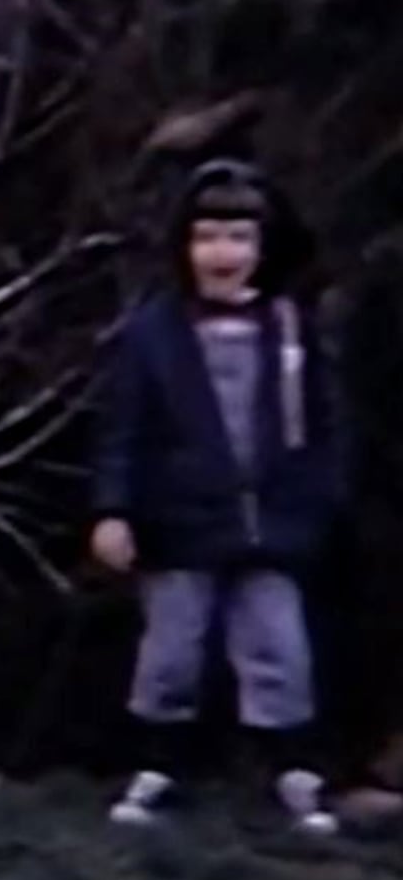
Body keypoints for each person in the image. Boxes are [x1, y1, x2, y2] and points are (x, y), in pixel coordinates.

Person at [90, 159, 347, 834]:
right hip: (177, 524)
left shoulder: (291, 327)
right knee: (171, 650)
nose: (222, 254)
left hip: (274, 526)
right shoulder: (154, 331)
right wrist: (113, 508)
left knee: (278, 649)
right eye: (207, 237)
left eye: (238, 237)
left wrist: (318, 501)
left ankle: (293, 773)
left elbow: (325, 426)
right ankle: (157, 768)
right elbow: (124, 428)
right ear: (184, 246)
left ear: (264, 247)